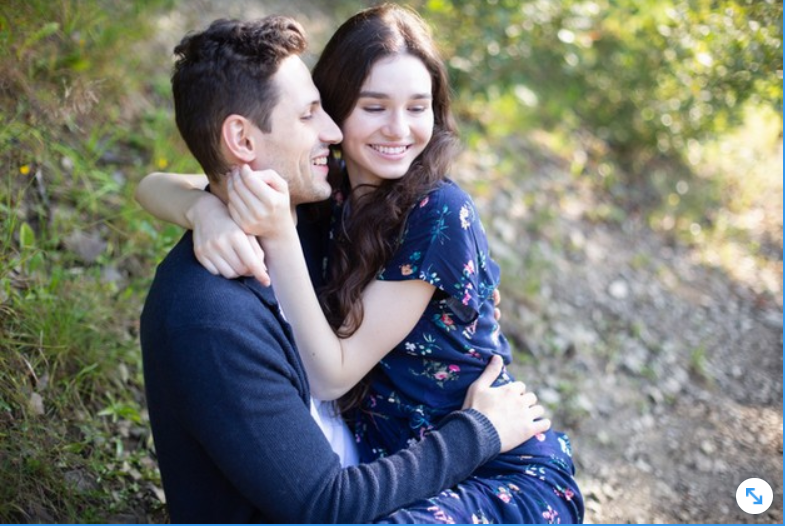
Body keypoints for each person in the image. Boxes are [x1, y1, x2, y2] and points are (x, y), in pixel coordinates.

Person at [138, 5, 584, 524]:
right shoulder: (323, 201)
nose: (397, 129)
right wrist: (203, 209)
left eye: (419, 107)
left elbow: (335, 382)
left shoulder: (433, 213)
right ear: (341, 107)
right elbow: (157, 184)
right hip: (399, 468)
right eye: (371, 107)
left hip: (486, 461)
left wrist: (272, 233)